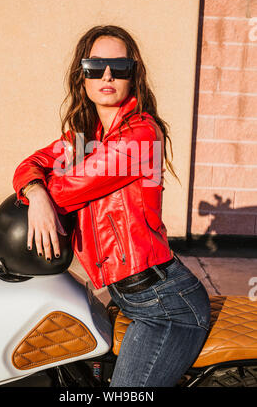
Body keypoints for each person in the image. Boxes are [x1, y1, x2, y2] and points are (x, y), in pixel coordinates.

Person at [12, 25, 210, 387]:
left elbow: (69, 187)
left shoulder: (140, 135)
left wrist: (44, 191)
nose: (107, 75)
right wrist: (34, 190)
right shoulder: (84, 137)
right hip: (131, 297)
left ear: (133, 75)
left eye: (119, 67)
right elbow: (30, 164)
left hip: (166, 309)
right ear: (81, 76)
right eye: (95, 66)